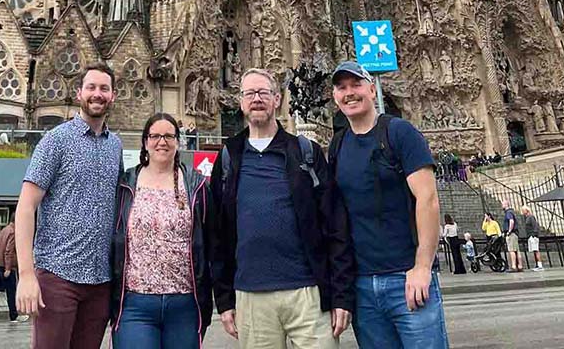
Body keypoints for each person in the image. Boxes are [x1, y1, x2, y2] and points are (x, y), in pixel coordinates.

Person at [211, 67, 355, 349]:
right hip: (252, 296)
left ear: (277, 99)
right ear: (240, 101)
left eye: (264, 92)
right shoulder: (229, 158)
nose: (257, 99)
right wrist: (225, 299)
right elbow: (218, 234)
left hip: (308, 293)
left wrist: (340, 295)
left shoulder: (306, 153)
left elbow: (335, 227)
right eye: (249, 93)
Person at [330, 60, 449, 349]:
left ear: (372, 90)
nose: (349, 93)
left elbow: (428, 198)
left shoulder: (400, 133)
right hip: (362, 285)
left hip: (406, 278)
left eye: (356, 85)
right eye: (342, 87)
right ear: (335, 96)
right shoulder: (337, 146)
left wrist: (422, 267)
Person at [15, 64, 123, 349]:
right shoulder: (56, 140)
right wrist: (26, 275)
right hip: (58, 276)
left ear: (113, 96)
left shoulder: (116, 146)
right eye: (91, 87)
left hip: (100, 281)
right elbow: (26, 206)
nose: (97, 94)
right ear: (79, 94)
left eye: (104, 89)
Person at [111, 112, 214, 347]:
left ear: (178, 142)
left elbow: (211, 243)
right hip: (135, 303)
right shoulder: (126, 184)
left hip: (184, 303)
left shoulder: (196, 185)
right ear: (146, 142)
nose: (162, 141)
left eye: (169, 136)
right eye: (155, 135)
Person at [501, 199, 522, 271]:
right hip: (515, 233)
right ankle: (520, 266)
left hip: (511, 233)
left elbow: (511, 221)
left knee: (512, 250)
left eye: (503, 204)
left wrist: (509, 231)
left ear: (506, 205)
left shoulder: (508, 213)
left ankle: (513, 266)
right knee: (517, 250)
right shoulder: (511, 212)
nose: (502, 205)